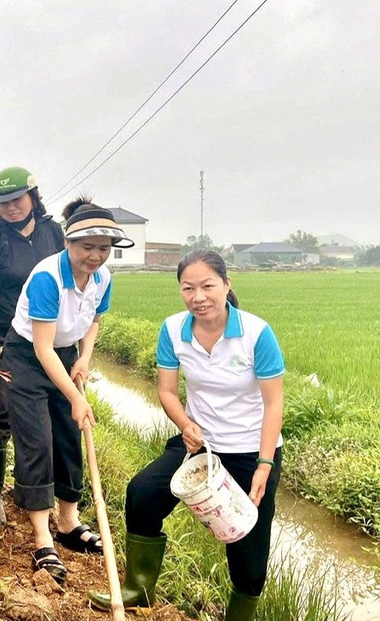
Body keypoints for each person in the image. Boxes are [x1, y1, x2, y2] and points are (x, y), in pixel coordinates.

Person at [89, 250, 285, 620]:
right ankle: (138, 589)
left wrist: (264, 464)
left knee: (248, 546)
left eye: (208, 286)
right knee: (143, 493)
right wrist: (185, 425)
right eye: (188, 288)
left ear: (226, 285)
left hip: (251, 450)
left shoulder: (256, 333)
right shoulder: (173, 329)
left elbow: (273, 404)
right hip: (199, 445)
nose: (198, 297)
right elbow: (166, 391)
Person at [2, 199, 133, 584]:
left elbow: (94, 320)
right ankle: (43, 539)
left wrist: (84, 358)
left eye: (103, 248)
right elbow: (42, 348)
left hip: (65, 354)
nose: (95, 256)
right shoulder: (48, 277)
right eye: (87, 247)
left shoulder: (103, 278)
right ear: (68, 243)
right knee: (37, 441)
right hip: (28, 356)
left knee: (68, 436)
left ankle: (68, 523)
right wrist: (77, 397)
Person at [0, 167, 65, 525]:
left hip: (50, 338)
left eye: (17, 200)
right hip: (5, 341)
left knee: (51, 418)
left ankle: (42, 494)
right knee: (0, 415)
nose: (11, 208)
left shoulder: (52, 233)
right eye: (3, 203)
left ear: (33, 197)